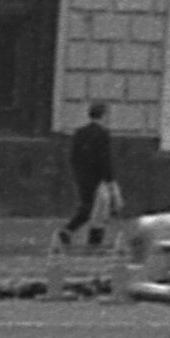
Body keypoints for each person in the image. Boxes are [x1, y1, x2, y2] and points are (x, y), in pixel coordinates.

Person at [57, 103, 122, 249]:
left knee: (88, 206)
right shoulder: (103, 134)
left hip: (83, 176)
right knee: (100, 210)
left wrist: (79, 172)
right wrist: (110, 182)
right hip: (98, 178)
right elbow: (105, 160)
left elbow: (74, 157)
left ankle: (69, 231)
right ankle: (92, 240)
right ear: (104, 116)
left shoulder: (80, 133)